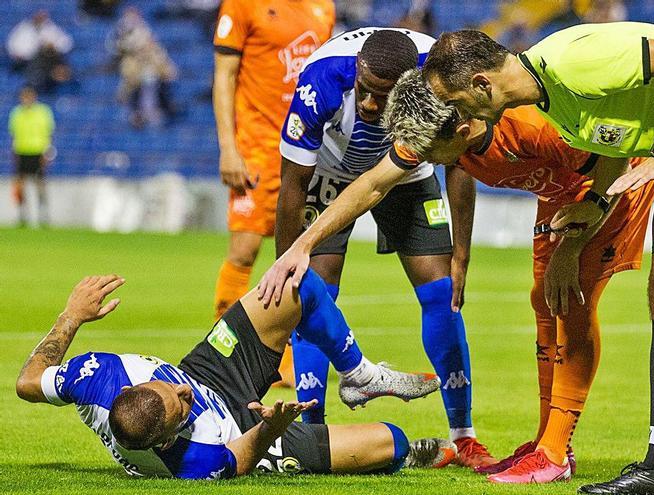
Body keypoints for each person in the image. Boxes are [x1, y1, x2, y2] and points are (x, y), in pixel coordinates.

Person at [420, 23, 654, 495]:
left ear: (481, 85)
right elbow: (612, 144)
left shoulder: (569, 64)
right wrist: (594, 205)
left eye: (453, 101)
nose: (454, 113)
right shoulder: (552, 98)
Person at [369, 69, 654, 483]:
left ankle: (555, 452)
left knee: (573, 300)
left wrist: (571, 248)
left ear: (464, 128)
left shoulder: (531, 127)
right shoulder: (451, 134)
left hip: (611, 184)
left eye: (431, 150)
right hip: (560, 190)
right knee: (545, 300)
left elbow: (613, 163)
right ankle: (547, 443)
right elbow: (373, 184)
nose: (426, 160)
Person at [269, 27, 494, 468]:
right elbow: (293, 184)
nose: (371, 105)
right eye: (365, 92)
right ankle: (313, 433)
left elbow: (462, 161)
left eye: (384, 97)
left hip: (407, 172)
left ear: (413, 85)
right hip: (330, 177)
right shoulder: (320, 82)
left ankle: (464, 437)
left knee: (442, 292)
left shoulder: (443, 77)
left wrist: (461, 252)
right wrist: (287, 262)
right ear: (357, 71)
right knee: (315, 290)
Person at [15, 272, 450, 479]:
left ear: (130, 388)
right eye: (181, 407)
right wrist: (268, 428)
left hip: (210, 370)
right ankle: (407, 454)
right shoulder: (194, 459)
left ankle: (358, 374)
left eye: (167, 388)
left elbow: (27, 382)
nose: (182, 392)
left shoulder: (97, 377)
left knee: (294, 285)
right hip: (245, 432)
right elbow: (239, 459)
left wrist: (71, 316)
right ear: (168, 440)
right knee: (389, 442)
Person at [212, 0, 335, 385]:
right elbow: (224, 76)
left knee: (302, 253)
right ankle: (223, 350)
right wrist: (228, 147)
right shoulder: (243, 4)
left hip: (307, 146)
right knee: (244, 250)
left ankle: (287, 357)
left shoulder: (323, 7)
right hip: (257, 147)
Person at [8, 85, 54, 227]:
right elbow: (14, 135)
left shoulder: (43, 112)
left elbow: (48, 133)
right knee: (20, 185)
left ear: (34, 96)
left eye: (29, 96)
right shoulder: (16, 113)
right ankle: (22, 214)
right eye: (24, 96)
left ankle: (43, 214)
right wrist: (14, 152)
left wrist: (47, 152)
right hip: (22, 152)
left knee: (40, 185)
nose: (27, 99)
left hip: (37, 152)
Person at [6, 11, 73, 92]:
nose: (40, 18)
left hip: (49, 58)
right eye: (38, 16)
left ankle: (58, 79)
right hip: (26, 61)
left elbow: (66, 43)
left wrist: (52, 46)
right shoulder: (23, 29)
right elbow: (13, 47)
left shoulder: (51, 28)